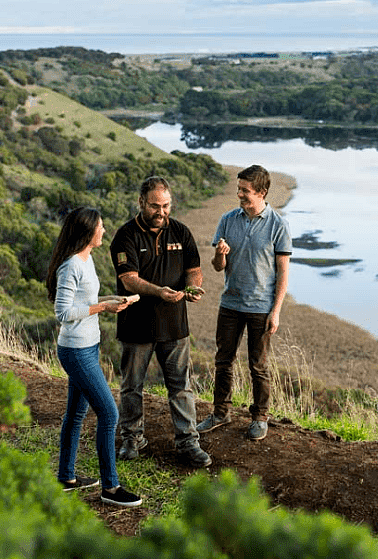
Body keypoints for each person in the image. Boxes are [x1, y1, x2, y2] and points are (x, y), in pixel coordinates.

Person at [109, 176, 211, 468]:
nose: (161, 211)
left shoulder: (181, 231)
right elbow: (128, 280)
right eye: (155, 206)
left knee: (181, 386)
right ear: (141, 202)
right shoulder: (125, 235)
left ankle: (188, 442)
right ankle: (132, 438)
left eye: (166, 205)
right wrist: (159, 291)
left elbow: (194, 270)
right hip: (136, 325)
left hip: (175, 326)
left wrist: (192, 288)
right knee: (131, 386)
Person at [45, 206, 142, 508]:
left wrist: (109, 301)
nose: (104, 230)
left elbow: (83, 301)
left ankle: (66, 477)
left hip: (88, 346)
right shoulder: (71, 265)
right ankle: (110, 489)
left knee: (75, 414)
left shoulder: (87, 260)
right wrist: (103, 309)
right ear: (88, 231)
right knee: (110, 414)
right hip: (75, 350)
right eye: (100, 226)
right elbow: (63, 313)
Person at [197, 165, 291, 441]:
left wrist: (276, 312)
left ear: (262, 192)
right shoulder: (228, 219)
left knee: (258, 366)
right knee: (223, 361)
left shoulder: (278, 226)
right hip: (230, 304)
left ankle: (260, 417)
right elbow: (217, 267)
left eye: (245, 191)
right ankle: (220, 413)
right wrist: (220, 255)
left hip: (261, 308)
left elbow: (283, 273)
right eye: (238, 189)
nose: (239, 194)